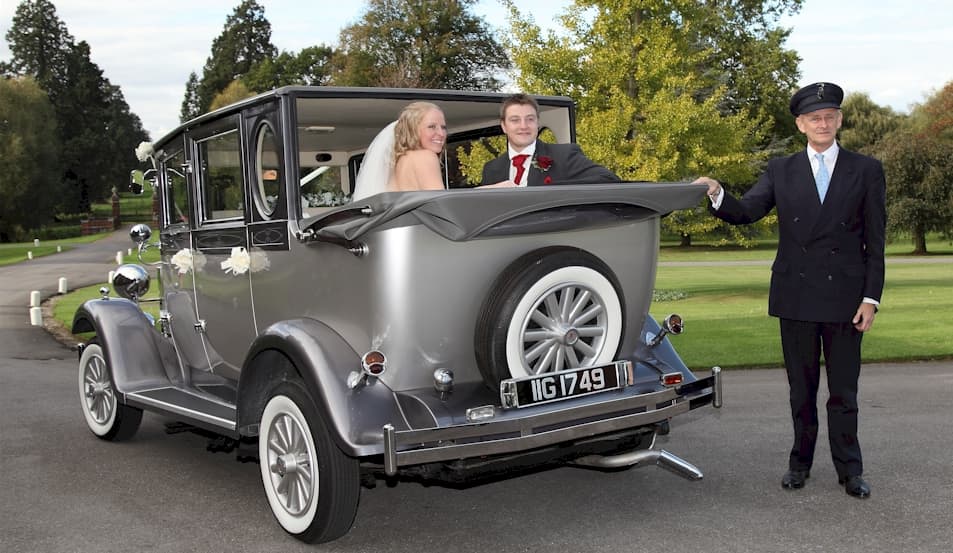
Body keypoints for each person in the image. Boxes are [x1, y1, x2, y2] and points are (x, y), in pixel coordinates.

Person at [694, 82, 886, 499]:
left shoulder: (866, 169)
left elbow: (876, 239)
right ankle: (799, 464)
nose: (823, 123)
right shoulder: (781, 170)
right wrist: (717, 192)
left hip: (846, 300)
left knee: (843, 392)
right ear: (801, 124)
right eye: (814, 118)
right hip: (796, 296)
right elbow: (746, 211)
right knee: (801, 390)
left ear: (839, 120)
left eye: (829, 116)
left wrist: (871, 298)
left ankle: (850, 470)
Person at [480, 93, 620, 187]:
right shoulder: (491, 169)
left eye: (530, 119)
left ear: (537, 123)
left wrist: (552, 191)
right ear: (504, 126)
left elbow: (609, 180)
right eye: (515, 120)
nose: (524, 126)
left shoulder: (565, 155)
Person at [352, 102, 448, 200]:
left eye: (443, 127)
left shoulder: (399, 162)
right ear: (413, 129)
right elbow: (440, 204)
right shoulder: (426, 156)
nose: (441, 133)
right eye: (432, 127)